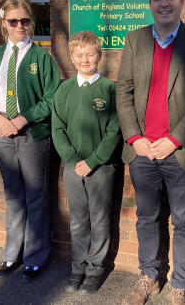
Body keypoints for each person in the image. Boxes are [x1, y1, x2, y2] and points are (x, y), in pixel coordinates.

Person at [116, 0, 185, 305]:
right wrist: (133, 137)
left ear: (181, 2)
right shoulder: (135, 40)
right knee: (146, 217)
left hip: (179, 151)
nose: (164, 3)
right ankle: (149, 276)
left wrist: (174, 140)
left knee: (184, 221)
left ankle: (179, 284)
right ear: (149, 2)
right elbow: (123, 93)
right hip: (142, 151)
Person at [0, 0, 60, 282]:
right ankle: (12, 255)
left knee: (35, 195)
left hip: (32, 134)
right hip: (1, 134)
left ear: (30, 23)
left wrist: (21, 120)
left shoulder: (41, 57)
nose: (20, 26)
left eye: (25, 20)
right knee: (13, 196)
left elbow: (51, 97)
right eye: (13, 21)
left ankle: (36, 257)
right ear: (4, 24)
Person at [51, 31, 121, 295]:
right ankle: (78, 267)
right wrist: (73, 159)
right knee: (79, 221)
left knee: (100, 220)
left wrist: (92, 161)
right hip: (72, 167)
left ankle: (94, 270)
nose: (85, 59)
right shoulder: (64, 90)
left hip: (100, 168)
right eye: (79, 55)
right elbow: (57, 127)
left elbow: (114, 130)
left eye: (90, 53)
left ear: (99, 56)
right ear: (71, 57)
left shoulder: (110, 89)